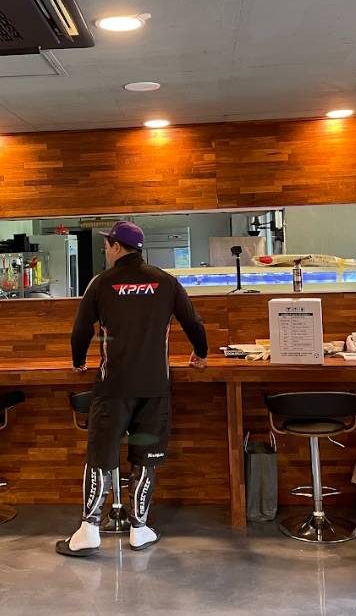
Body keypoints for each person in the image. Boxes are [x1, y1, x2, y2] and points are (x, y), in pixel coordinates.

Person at [56, 221, 208, 557]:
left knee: (100, 456)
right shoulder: (166, 281)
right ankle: (139, 529)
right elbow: (193, 323)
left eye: (107, 245)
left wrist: (78, 360)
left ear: (116, 247)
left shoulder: (101, 283)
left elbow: (81, 330)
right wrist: (201, 352)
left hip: (114, 387)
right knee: (144, 458)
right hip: (155, 387)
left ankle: (89, 531)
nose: (106, 251)